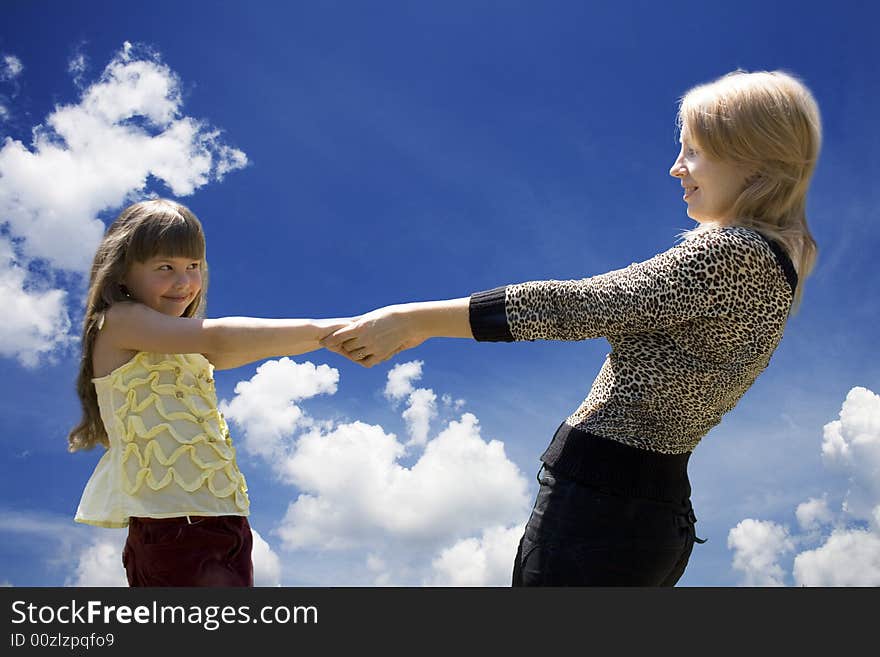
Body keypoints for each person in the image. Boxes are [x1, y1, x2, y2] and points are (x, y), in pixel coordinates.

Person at [321, 70, 822, 586]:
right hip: (645, 513)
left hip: (601, 514)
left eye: (694, 152)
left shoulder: (731, 253)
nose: (676, 168)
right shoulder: (776, 265)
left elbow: (577, 306)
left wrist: (412, 319)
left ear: (755, 160)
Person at [69, 199, 349, 587]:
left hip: (225, 522)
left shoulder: (185, 350)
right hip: (175, 528)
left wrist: (330, 340)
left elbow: (233, 348)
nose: (183, 282)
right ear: (121, 275)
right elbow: (219, 338)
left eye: (193, 267)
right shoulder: (119, 321)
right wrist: (330, 330)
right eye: (165, 267)